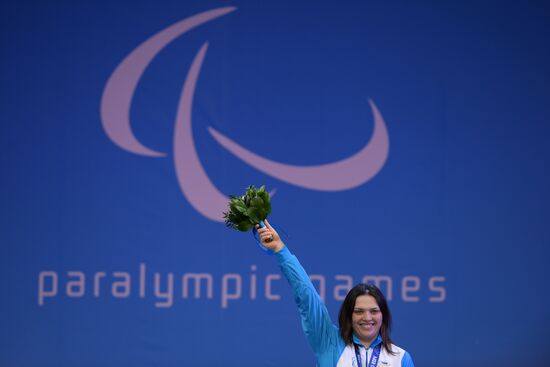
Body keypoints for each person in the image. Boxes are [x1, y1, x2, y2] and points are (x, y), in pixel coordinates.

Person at [256, 219, 415, 367]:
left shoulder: (400, 358)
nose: (367, 318)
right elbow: (306, 295)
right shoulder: (327, 341)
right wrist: (280, 250)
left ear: (383, 315)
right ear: (349, 315)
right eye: (358, 311)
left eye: (374, 311)